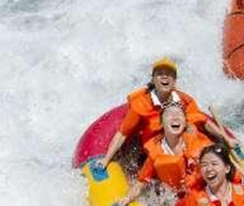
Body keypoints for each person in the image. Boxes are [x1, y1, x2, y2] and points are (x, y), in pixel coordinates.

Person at [97, 58, 234, 169]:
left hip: (183, 143)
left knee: (196, 134)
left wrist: (225, 139)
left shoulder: (184, 100)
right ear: (153, 79)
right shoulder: (141, 105)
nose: (165, 77)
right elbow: (122, 134)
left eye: (169, 74)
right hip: (158, 149)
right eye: (160, 73)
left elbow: (203, 121)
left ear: (174, 81)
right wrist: (106, 159)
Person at [115, 102, 214, 206]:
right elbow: (141, 182)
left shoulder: (199, 142)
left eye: (179, 114)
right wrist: (127, 199)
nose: (175, 117)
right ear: (161, 123)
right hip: (177, 197)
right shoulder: (156, 153)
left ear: (185, 123)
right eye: (170, 114)